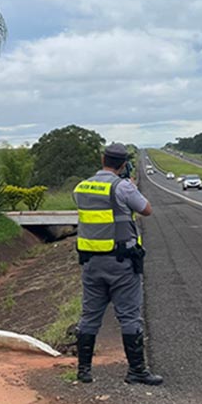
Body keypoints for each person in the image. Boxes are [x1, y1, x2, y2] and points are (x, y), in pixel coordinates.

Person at [73, 143, 163, 385]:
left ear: (103, 159)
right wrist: (131, 186)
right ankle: (136, 371)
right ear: (123, 164)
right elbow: (146, 210)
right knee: (129, 317)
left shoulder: (81, 187)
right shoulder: (122, 187)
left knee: (89, 317)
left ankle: (83, 371)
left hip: (91, 263)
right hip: (121, 262)